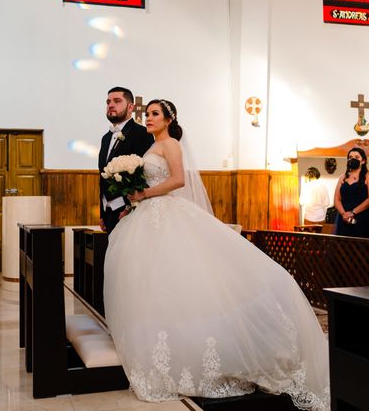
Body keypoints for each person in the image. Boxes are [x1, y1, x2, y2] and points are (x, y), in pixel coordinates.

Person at [103, 99, 330, 410]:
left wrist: (145, 193)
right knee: (156, 284)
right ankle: (162, 342)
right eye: (148, 114)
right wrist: (134, 194)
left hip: (164, 212)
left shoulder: (170, 144)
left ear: (169, 119)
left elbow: (178, 180)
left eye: (155, 114)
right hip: (147, 215)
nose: (149, 118)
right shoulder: (153, 146)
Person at [98, 87, 153, 233]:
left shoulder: (142, 133)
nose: (110, 105)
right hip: (109, 211)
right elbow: (102, 176)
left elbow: (146, 174)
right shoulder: (105, 138)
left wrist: (131, 206)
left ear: (130, 107)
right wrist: (102, 213)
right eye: (108, 102)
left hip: (129, 212)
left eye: (117, 101)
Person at [333, 147, 369, 238]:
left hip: (363, 217)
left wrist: (353, 212)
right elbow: (337, 199)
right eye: (350, 157)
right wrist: (344, 214)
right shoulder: (343, 177)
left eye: (357, 157)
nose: (353, 159)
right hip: (344, 217)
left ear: (363, 161)